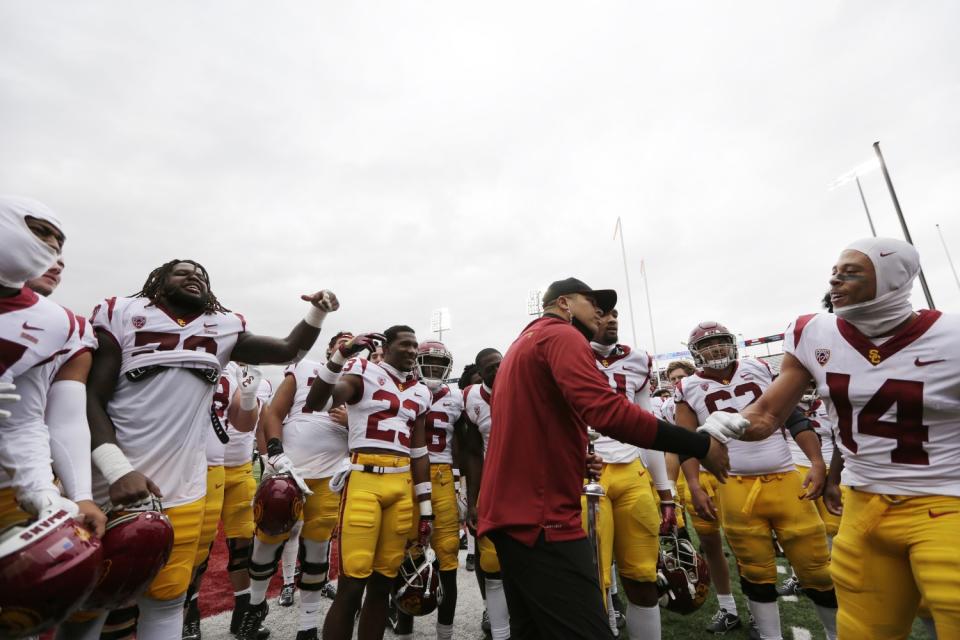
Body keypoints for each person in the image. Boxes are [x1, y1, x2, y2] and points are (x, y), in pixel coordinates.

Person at [85, 258, 338, 640]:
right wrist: (115, 467)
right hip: (112, 483)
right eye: (182, 272)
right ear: (157, 281)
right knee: (104, 602)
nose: (194, 277)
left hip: (184, 487)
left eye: (202, 274)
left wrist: (316, 312)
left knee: (168, 597)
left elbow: (288, 349)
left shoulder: (223, 328)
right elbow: (89, 397)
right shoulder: (121, 313)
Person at [478, 277, 737, 639]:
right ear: (565, 303)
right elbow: (609, 412)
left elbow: (532, 427)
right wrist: (699, 445)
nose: (601, 314)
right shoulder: (561, 334)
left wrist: (571, 460)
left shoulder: (525, 342)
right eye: (593, 304)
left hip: (513, 512)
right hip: (540, 516)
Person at [735, 238, 960, 639]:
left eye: (852, 272)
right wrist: (725, 427)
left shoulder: (952, 336)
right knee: (862, 630)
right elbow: (769, 415)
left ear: (892, 281)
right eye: (835, 271)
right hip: (864, 504)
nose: (836, 279)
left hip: (944, 502)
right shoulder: (813, 332)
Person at [674, 321, 837, 640]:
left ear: (732, 344)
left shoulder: (759, 367)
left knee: (816, 566)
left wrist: (816, 462)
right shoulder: (687, 387)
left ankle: (835, 634)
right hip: (732, 483)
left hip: (785, 477)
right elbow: (686, 442)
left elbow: (793, 417)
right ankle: (770, 635)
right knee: (753, 568)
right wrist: (693, 485)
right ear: (696, 353)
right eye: (707, 346)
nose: (715, 349)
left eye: (720, 342)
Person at [303, 326, 434, 640]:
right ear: (386, 346)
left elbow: (419, 451)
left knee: (383, 584)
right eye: (406, 344)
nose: (413, 350)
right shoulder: (363, 370)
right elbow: (318, 401)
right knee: (353, 582)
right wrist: (342, 354)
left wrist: (426, 508)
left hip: (401, 485)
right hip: (364, 480)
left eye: (416, 345)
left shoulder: (420, 391)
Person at [240, 332, 354, 640]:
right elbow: (274, 412)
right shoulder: (305, 368)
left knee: (317, 552)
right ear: (331, 348)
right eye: (342, 340)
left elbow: (376, 430)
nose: (348, 345)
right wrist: (275, 453)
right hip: (290, 471)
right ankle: (254, 607)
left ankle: (307, 626)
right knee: (266, 541)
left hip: (331, 475)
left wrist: (351, 423)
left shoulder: (361, 381)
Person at [586, 308, 678, 638]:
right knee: (591, 582)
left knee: (643, 577)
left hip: (632, 475)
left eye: (613, 314)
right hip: (585, 477)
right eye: (600, 314)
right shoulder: (566, 354)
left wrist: (665, 493)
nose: (611, 320)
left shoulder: (638, 360)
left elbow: (647, 429)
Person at [181, 362, 264, 640]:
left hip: (239, 467)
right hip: (204, 466)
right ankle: (188, 613)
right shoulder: (206, 362)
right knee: (198, 548)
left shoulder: (254, 377)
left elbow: (253, 424)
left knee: (243, 544)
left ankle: (243, 611)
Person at [389, 340, 464, 640]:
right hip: (407, 476)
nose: (433, 369)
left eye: (438, 364)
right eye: (428, 362)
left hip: (443, 478)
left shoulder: (457, 399)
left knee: (447, 556)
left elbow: (463, 445)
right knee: (407, 557)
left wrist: (465, 487)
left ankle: (444, 634)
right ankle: (404, 631)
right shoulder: (402, 390)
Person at [464, 348, 508, 640]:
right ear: (480, 371)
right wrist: (472, 501)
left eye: (500, 364)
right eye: (489, 367)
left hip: (527, 482)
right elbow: (471, 453)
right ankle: (495, 619)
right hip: (493, 484)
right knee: (489, 559)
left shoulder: (523, 383)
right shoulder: (470, 397)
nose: (496, 369)